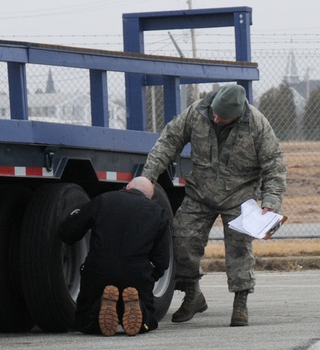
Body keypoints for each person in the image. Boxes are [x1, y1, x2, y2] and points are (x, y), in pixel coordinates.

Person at [140, 83, 286, 327]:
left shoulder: (257, 124)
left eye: (223, 117)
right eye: (215, 114)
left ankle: (240, 304)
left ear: (238, 114)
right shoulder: (197, 113)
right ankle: (193, 295)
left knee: (239, 251)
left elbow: (274, 165)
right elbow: (168, 143)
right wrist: (148, 177)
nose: (216, 119)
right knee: (181, 243)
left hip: (240, 197)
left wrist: (270, 202)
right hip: (200, 193)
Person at [58, 176, 171, 336]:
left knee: (84, 320)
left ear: (127, 187)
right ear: (148, 197)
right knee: (149, 321)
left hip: (99, 272)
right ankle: (137, 307)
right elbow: (162, 260)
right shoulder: (158, 213)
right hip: (137, 275)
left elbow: (69, 232)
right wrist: (150, 276)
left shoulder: (103, 200)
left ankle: (98, 308)